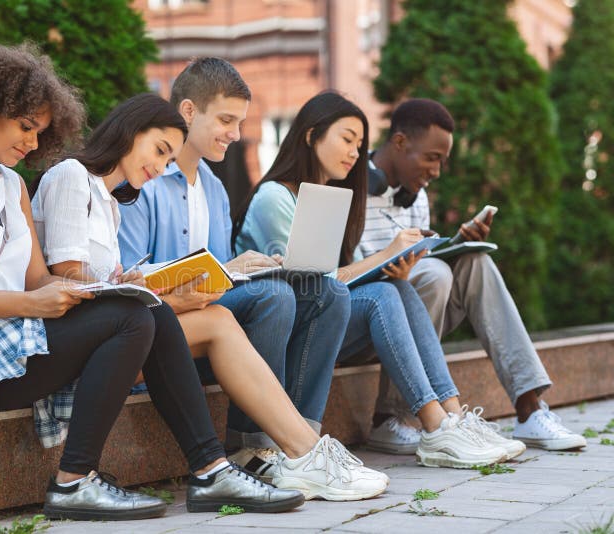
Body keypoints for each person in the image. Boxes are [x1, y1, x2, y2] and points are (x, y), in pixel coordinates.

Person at [0, 44, 302, 522]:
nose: (32, 142)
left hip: (13, 338)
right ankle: (76, 481)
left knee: (141, 309)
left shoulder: (10, 185)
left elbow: (39, 279)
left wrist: (109, 286)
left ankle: (210, 469)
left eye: (40, 131)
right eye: (25, 126)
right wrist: (35, 302)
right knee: (134, 317)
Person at [32, 92, 389, 502]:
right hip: (77, 341)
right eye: (161, 151)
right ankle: (295, 455)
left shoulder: (110, 202)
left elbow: (105, 282)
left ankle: (294, 451)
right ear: (130, 131)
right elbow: (70, 280)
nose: (161, 166)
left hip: (119, 332)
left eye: (169, 159)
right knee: (233, 310)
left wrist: (174, 282)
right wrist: (157, 293)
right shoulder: (72, 176)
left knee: (220, 320)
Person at [233, 92, 518, 469]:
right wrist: (386, 254)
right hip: (277, 329)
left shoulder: (330, 196)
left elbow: (326, 285)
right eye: (347, 139)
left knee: (395, 286)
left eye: (360, 144)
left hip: (320, 323)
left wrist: (396, 261)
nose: (355, 152)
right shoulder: (275, 196)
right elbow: (311, 283)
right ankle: (437, 425)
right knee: (383, 293)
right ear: (311, 135)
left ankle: (451, 416)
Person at [117, 58, 352, 471]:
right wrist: (232, 272)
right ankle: (252, 448)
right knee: (273, 296)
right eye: (226, 120)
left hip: (213, 319)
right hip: (166, 325)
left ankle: (305, 444)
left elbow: (219, 280)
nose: (236, 134)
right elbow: (128, 283)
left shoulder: (215, 189)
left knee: (327, 292)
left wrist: (250, 266)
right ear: (188, 111)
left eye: (240, 122)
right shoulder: (144, 178)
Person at [358, 98, 587, 452]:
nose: (436, 171)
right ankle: (390, 417)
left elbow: (420, 257)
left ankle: (529, 409)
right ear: (400, 143)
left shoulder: (415, 194)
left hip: (416, 315)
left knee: (474, 261)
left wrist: (456, 244)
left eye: (442, 161)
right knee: (433, 275)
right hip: (368, 321)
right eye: (432, 158)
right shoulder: (350, 184)